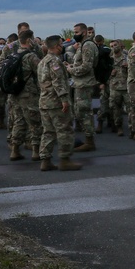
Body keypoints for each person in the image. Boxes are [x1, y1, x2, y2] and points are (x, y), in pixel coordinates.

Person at [37, 35, 82, 172]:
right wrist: (64, 99)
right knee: (64, 130)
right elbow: (58, 82)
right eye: (61, 44)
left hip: (44, 102)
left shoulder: (42, 61)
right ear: (57, 46)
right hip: (56, 102)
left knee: (48, 132)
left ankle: (45, 160)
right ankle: (65, 159)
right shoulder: (55, 61)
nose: (62, 46)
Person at [8, 30, 43, 162]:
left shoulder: (14, 54)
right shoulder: (31, 56)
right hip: (29, 94)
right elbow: (41, 72)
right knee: (34, 122)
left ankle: (15, 150)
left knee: (18, 121)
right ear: (29, 40)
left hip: (15, 94)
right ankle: (36, 151)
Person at [68, 22, 99, 152]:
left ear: (84, 32)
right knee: (79, 111)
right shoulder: (82, 45)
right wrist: (71, 66)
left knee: (84, 112)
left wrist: (71, 70)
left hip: (85, 83)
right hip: (79, 83)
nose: (75, 35)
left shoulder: (87, 46)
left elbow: (87, 67)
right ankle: (87, 139)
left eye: (76, 32)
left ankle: (90, 141)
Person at [108, 39, 129, 136]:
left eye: (115, 45)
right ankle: (119, 127)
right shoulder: (109, 59)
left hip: (126, 87)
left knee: (130, 108)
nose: (113, 47)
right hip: (114, 87)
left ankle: (133, 127)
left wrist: (129, 66)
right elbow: (103, 73)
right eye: (111, 46)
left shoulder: (127, 57)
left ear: (120, 45)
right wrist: (110, 73)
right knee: (115, 108)